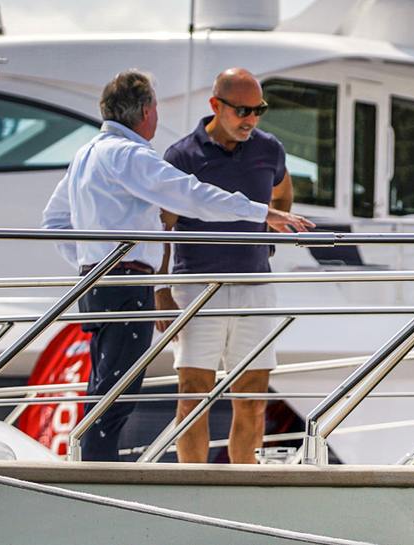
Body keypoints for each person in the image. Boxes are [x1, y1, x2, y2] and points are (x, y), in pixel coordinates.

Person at [41, 69, 313, 462]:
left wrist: (91, 262)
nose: (252, 118)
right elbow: (189, 196)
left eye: (259, 110)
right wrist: (258, 213)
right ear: (146, 111)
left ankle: (92, 464)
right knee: (118, 392)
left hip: (102, 282)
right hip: (130, 281)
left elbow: (54, 222)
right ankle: (97, 474)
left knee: (106, 386)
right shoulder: (130, 155)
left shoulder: (88, 152)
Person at [157, 67, 294, 464]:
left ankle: (244, 489)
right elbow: (162, 226)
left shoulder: (270, 149)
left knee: (252, 397)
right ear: (216, 105)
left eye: (259, 110)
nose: (251, 119)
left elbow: (283, 193)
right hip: (197, 286)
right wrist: (161, 291)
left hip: (255, 286)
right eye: (242, 111)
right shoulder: (181, 155)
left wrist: (269, 238)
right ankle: (192, 490)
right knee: (193, 396)